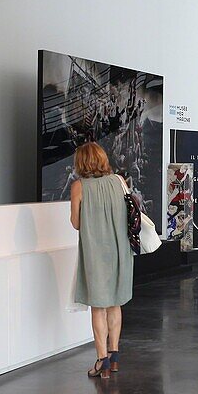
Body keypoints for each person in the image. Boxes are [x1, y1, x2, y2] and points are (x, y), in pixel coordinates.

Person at [69, 142, 135, 379]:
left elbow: (76, 224)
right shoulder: (119, 181)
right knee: (115, 303)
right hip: (119, 250)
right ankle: (115, 356)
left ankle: (102, 360)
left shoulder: (79, 187)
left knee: (98, 307)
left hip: (95, 251)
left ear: (81, 162)